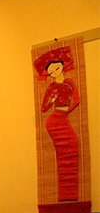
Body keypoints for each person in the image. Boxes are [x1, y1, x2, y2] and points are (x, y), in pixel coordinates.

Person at [35, 47, 80, 201]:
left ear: (62, 65)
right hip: (54, 121)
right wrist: (51, 98)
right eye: (51, 71)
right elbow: (44, 107)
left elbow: (77, 100)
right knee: (63, 152)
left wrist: (67, 112)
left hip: (63, 117)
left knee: (73, 144)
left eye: (56, 68)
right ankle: (65, 193)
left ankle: (70, 192)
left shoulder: (69, 82)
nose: (54, 72)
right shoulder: (51, 87)